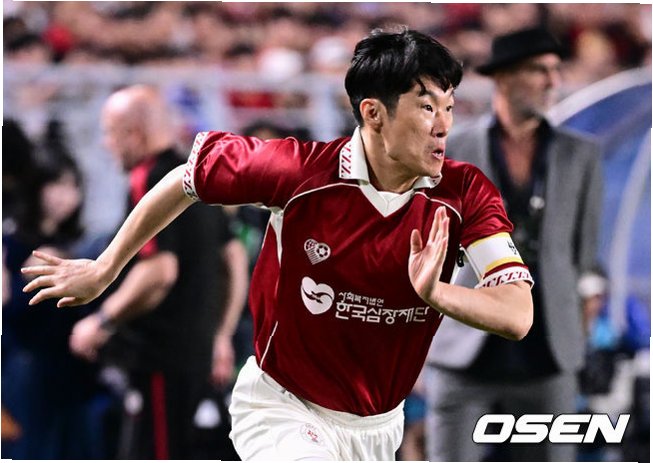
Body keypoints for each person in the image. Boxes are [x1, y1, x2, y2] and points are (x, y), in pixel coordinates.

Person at [22, 28, 534, 461]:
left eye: (449, 106)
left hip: (379, 426)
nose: (444, 125)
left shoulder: (464, 192)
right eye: (426, 107)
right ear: (374, 113)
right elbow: (186, 177)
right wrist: (106, 267)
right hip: (283, 408)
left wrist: (437, 294)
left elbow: (516, 314)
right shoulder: (297, 171)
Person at [424, 28, 603, 462]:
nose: (552, 81)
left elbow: (583, 257)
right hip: (462, 351)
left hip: (548, 353)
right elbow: (425, 247)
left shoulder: (580, 154)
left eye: (556, 70)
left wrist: (577, 332)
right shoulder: (453, 148)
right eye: (539, 70)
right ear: (503, 77)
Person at [64, 85, 248, 459]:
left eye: (109, 133)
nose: (105, 144)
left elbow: (159, 271)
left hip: (160, 358)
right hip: (197, 356)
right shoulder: (195, 177)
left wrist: (101, 320)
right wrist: (221, 335)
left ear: (134, 134)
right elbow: (234, 259)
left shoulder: (148, 179)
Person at [3, 152, 107, 459]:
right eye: (56, 185)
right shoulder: (12, 243)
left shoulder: (82, 245)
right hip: (28, 368)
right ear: (36, 187)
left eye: (72, 186)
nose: (65, 196)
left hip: (74, 370)